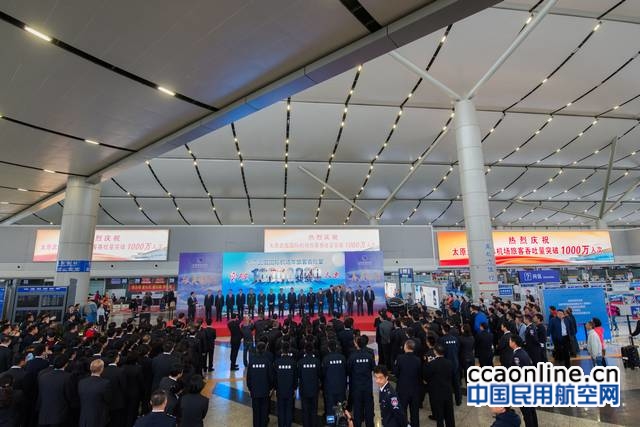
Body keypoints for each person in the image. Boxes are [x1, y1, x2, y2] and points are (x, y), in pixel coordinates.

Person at [509, 335, 538, 427]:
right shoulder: (523, 352)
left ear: (514, 343)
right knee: (531, 411)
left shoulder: (517, 356)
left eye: (510, 341)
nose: (509, 342)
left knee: (527, 413)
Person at [37, 354, 74, 427]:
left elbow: (40, 395)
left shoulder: (43, 376)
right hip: (60, 415)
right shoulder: (68, 377)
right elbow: (70, 396)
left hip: (44, 415)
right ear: (66, 364)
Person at [423, 344, 455, 427]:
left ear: (435, 352)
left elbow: (426, 376)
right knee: (449, 414)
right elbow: (453, 375)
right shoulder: (449, 363)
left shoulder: (432, 364)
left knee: (439, 415)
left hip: (436, 392)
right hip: (447, 391)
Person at [347, 335, 375, 427]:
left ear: (357, 344)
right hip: (367, 386)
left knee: (357, 408)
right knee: (369, 408)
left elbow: (348, 370)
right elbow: (374, 368)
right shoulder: (369, 356)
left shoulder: (352, 356)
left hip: (356, 386)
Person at [394, 339, 421, 427]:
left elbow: (396, 373)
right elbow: (419, 374)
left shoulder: (400, 358)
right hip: (415, 390)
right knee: (415, 412)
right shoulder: (418, 360)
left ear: (406, 347)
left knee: (402, 411)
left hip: (402, 389)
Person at [78, 359, 112, 427]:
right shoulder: (105, 383)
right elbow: (108, 400)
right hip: (99, 417)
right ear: (101, 369)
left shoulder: (82, 382)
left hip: (84, 417)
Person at [247, 342, 273, 427]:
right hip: (265, 391)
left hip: (255, 391)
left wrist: (250, 388)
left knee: (256, 412)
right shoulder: (267, 361)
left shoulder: (252, 361)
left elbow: (249, 377)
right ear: (265, 349)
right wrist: (271, 388)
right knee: (264, 412)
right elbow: (270, 377)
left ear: (257, 349)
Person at [322, 340, 347, 420]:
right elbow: (346, 371)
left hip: (329, 388)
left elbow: (323, 373)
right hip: (341, 387)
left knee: (330, 408)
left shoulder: (326, 359)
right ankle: (340, 422)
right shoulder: (342, 358)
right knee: (340, 407)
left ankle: (331, 423)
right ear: (336, 347)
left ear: (328, 348)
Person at [298, 342, 321, 427]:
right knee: (314, 410)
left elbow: (299, 375)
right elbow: (319, 374)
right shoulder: (317, 361)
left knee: (305, 410)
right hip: (314, 389)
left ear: (305, 350)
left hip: (304, 389)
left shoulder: (301, 362)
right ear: (313, 350)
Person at [274, 342, 297, 427]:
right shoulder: (293, 362)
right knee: (288, 409)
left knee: (280, 409)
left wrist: (275, 388)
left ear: (281, 350)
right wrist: (295, 388)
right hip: (290, 390)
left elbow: (275, 378)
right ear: (289, 349)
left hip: (280, 390)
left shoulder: (277, 362)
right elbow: (295, 377)